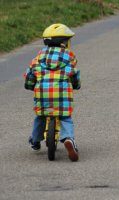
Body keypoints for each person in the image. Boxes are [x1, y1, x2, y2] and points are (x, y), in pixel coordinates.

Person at [24, 24, 81, 161]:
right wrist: (76, 85)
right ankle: (68, 139)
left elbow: (30, 74)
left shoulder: (38, 57)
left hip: (43, 93)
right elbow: (74, 74)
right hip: (62, 94)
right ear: (64, 42)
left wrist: (30, 85)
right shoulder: (69, 57)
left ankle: (36, 140)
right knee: (65, 118)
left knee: (40, 116)